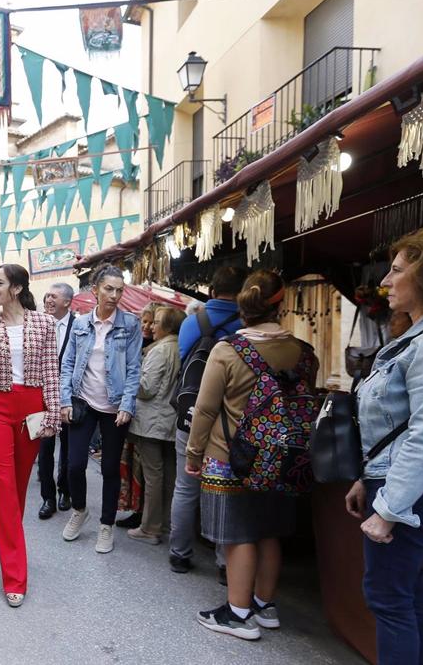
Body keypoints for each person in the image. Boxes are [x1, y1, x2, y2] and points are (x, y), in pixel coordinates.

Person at [344, 225, 423, 665]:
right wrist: (368, 479)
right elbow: (397, 427)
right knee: (405, 594)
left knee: (389, 599)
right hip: (404, 484)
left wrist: (390, 508)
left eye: (396, 271)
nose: (385, 282)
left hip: (418, 490)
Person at [185, 270, 318, 641]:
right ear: (281, 305)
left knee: (237, 534)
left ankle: (238, 613)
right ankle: (265, 604)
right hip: (285, 457)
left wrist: (194, 455)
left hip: (230, 456)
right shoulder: (304, 352)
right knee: (270, 530)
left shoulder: (228, 351)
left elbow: (206, 409)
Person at [0, 264, 60, 608]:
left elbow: (52, 372)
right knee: (4, 486)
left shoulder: (45, 323)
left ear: (16, 287)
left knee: (20, 486)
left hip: (33, 406)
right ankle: (15, 575)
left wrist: (53, 413)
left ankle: (10, 543)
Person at [168, 265, 246, 576]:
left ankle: (179, 554)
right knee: (225, 489)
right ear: (241, 294)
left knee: (185, 488)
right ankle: (225, 562)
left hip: (191, 412)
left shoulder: (191, 322)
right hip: (230, 418)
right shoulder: (244, 325)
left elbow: (183, 360)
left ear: (211, 291)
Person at [59, 266, 142, 554]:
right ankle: (80, 510)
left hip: (115, 406)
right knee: (74, 464)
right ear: (96, 290)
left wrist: (128, 404)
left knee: (109, 468)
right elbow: (67, 364)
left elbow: (134, 369)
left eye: (120, 290)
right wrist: (65, 400)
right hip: (84, 402)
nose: (115, 295)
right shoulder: (80, 324)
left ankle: (106, 524)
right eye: (109, 289)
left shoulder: (130, 324)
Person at [127, 306, 186, 545]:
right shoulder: (180, 347)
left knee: (153, 476)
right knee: (170, 476)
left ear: (168, 326)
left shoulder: (160, 350)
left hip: (152, 421)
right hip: (171, 421)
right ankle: (167, 524)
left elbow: (146, 388)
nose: (152, 326)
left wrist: (130, 380)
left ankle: (150, 528)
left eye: (158, 321)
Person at [38, 283, 75, 519]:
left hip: (69, 398)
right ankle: (47, 498)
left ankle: (65, 490)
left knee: (69, 450)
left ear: (67, 302)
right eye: (47, 296)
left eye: (54, 296)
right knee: (44, 449)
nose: (48, 300)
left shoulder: (79, 325)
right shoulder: (39, 324)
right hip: (41, 397)